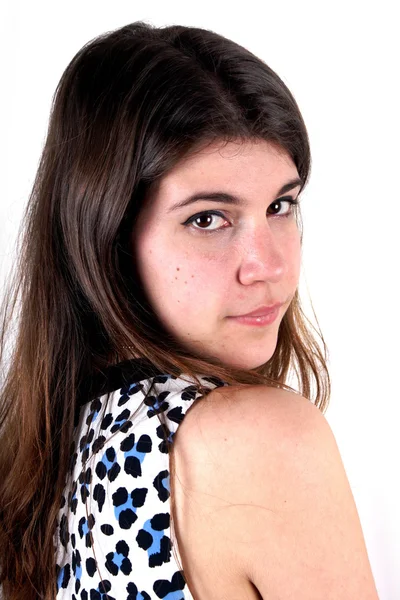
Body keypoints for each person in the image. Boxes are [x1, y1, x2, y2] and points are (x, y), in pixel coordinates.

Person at [0, 20, 379, 600]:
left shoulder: (50, 462)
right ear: (110, 239)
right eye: (208, 218)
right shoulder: (257, 440)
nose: (268, 265)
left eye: (281, 205)